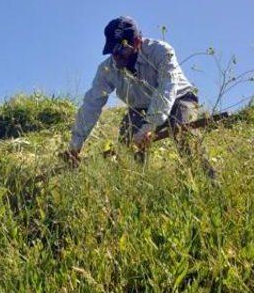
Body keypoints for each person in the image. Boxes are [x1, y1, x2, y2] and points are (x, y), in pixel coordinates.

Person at [62, 16, 215, 178]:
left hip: (179, 98)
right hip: (140, 108)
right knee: (127, 152)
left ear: (136, 42)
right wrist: (75, 145)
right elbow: (91, 105)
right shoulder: (107, 70)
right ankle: (137, 190)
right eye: (112, 50)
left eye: (121, 49)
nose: (116, 55)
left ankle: (210, 186)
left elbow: (166, 88)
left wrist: (149, 126)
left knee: (187, 141)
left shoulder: (161, 51)